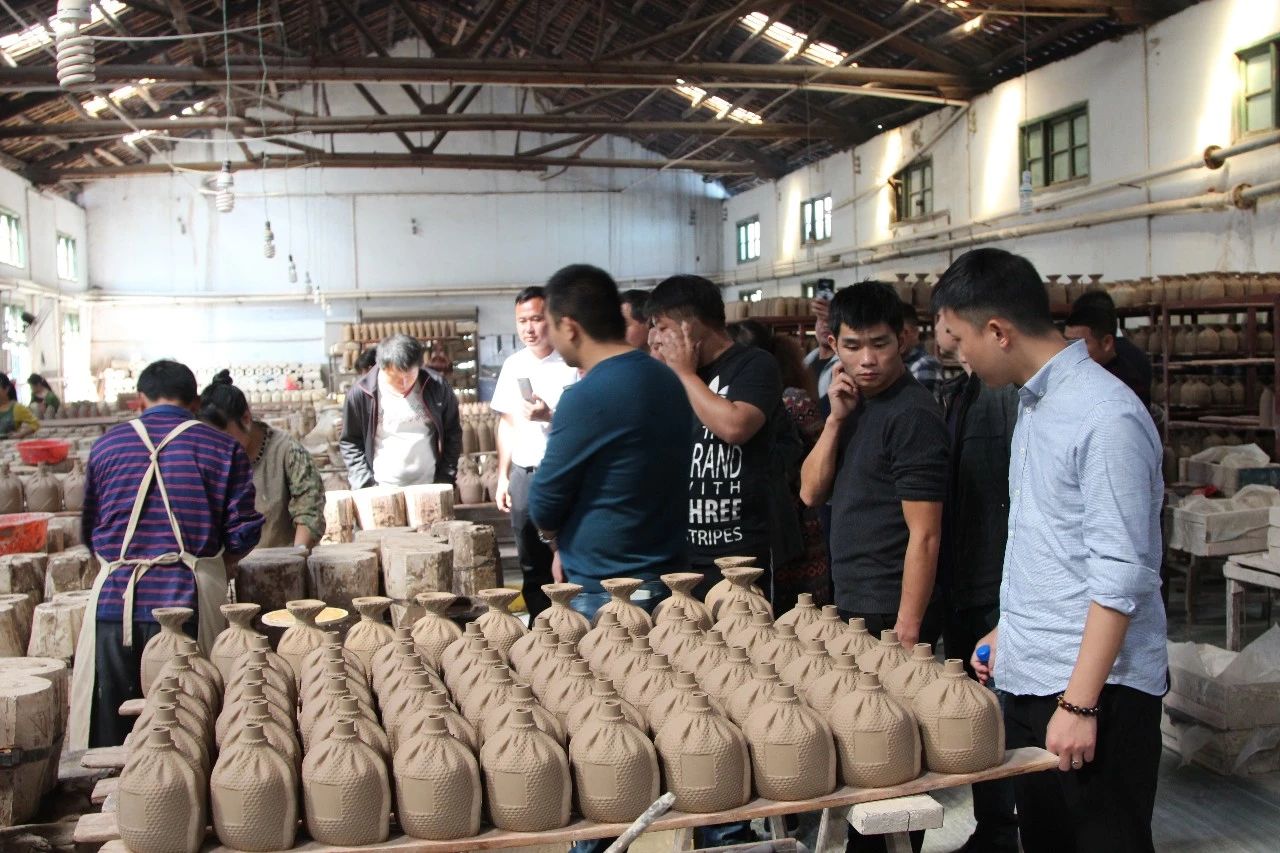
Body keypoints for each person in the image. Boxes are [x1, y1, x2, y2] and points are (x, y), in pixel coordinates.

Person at [933, 248, 1167, 853]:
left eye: (960, 340)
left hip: (1097, 693)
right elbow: (1051, 543)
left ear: (998, 331)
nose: (959, 357)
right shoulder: (1036, 404)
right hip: (1039, 681)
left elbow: (1121, 574)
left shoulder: (1105, 416)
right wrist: (1011, 629)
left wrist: (1080, 705)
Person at [70, 360, 263, 751]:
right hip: (187, 603)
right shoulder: (221, 448)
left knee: (111, 736)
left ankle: (109, 788)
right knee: (188, 732)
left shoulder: (107, 446)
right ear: (195, 402)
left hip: (114, 607)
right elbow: (243, 531)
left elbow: (89, 528)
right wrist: (216, 564)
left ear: (140, 400)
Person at [528, 265, 692, 620]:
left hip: (609, 592)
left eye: (551, 326)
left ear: (569, 327)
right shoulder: (667, 380)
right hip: (670, 580)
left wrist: (553, 538)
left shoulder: (585, 396)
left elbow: (544, 504)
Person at [800, 283, 948, 648]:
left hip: (890, 606)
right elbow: (810, 493)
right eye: (853, 346)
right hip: (852, 595)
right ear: (834, 344)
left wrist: (908, 627)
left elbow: (926, 533)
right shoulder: (848, 402)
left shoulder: (912, 414)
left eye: (879, 344)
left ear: (901, 340)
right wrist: (834, 421)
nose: (867, 359)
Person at [933, 320, 1020, 853]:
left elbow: (1016, 501)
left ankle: (1008, 830)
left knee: (1001, 716)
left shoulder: (1006, 396)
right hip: (965, 582)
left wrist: (1010, 602)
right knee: (982, 716)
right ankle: (995, 828)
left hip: (996, 585)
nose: (946, 338)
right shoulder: (961, 392)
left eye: (952, 327)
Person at [649, 274, 786, 602]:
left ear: (691, 325)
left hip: (738, 553)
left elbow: (735, 427)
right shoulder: (669, 375)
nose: (655, 337)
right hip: (681, 552)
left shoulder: (754, 364)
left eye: (663, 327)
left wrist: (685, 373)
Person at [491, 287, 580, 620]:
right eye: (522, 321)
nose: (528, 328)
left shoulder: (572, 363)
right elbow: (507, 423)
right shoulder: (513, 365)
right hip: (524, 475)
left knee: (570, 557)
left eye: (536, 319)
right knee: (531, 562)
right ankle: (540, 631)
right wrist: (503, 476)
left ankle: (575, 628)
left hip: (565, 475)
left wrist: (549, 416)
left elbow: (587, 424)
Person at [730, 320, 830, 611]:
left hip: (795, 522)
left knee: (797, 617)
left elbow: (815, 455)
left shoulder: (790, 400)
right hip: (780, 521)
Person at [199, 370, 325, 550]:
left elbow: (309, 511)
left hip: (283, 561)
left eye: (223, 437)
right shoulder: (209, 460)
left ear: (246, 419)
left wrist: (297, 554)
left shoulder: (287, 451)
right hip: (229, 565)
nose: (217, 446)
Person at [340, 333, 461, 491]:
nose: (404, 383)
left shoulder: (437, 386)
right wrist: (365, 484)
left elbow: (453, 433)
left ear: (419, 366)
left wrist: (446, 477)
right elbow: (350, 442)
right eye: (395, 377)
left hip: (430, 485)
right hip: (381, 488)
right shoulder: (361, 393)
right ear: (382, 367)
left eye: (409, 376)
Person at [1064, 290, 1153, 406]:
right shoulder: (1075, 376)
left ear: (1106, 342)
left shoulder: (1124, 387)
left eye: (1079, 344)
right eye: (1068, 343)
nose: (1070, 351)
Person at [901, 303, 945, 394]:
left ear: (915, 332)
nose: (899, 336)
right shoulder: (899, 363)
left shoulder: (925, 364)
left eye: (904, 332)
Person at [0, 372, 39, 438]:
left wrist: (21, 434)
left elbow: (35, 424)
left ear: (6, 389)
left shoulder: (16, 408)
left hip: (8, 443)